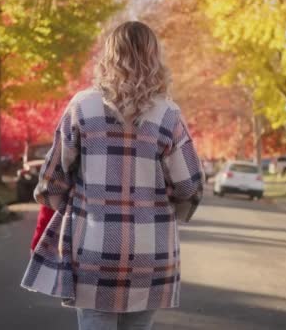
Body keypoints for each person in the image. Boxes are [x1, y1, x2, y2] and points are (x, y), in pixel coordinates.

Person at [21, 21, 204, 330]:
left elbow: (52, 180)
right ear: (153, 58)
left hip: (92, 249)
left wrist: (73, 202)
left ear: (109, 56)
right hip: (151, 252)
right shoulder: (168, 114)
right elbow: (189, 185)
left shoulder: (82, 106)